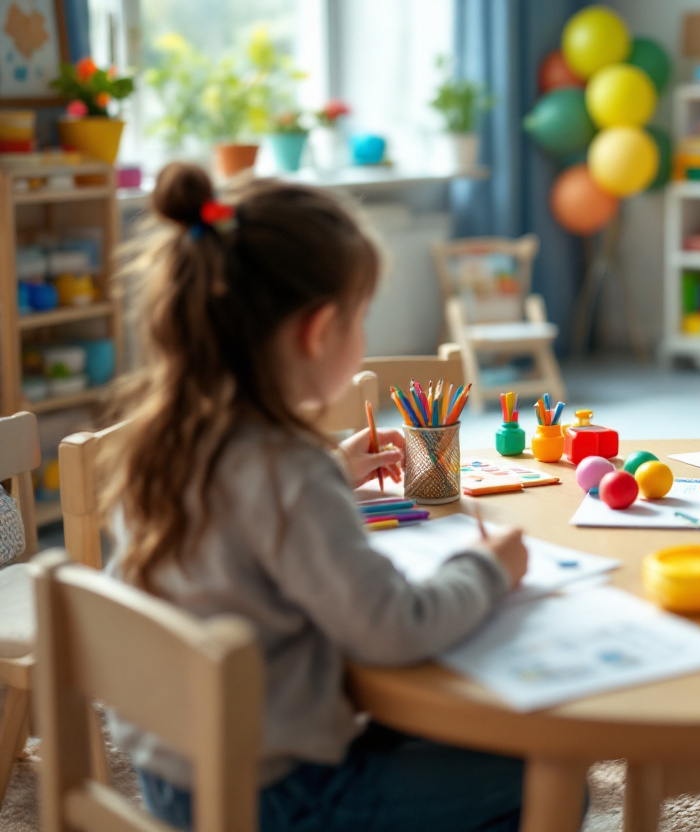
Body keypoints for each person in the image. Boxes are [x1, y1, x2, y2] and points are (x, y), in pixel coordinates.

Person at [103, 162, 529, 832]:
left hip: (174, 772)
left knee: (453, 744)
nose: (365, 337)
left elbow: (240, 514)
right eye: (362, 317)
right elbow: (394, 628)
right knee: (540, 779)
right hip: (274, 795)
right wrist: (488, 569)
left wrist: (331, 468)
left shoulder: (167, 438)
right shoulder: (287, 471)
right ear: (318, 328)